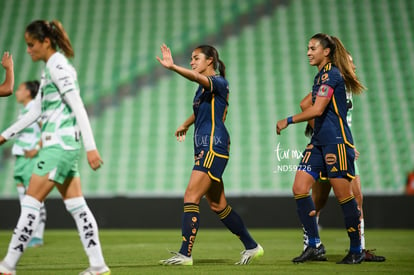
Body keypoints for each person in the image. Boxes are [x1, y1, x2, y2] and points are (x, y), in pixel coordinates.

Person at [0, 20, 110, 275]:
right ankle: (98, 265)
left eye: (31, 45)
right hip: (65, 147)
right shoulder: (52, 67)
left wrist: (91, 147)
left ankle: (7, 266)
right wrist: (4, 136)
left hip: (57, 146)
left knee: (30, 203)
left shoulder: (57, 66)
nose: (28, 50)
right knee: (77, 206)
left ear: (45, 42)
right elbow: (35, 111)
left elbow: (78, 105)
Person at [156, 44, 263, 265]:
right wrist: (185, 125)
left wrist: (173, 67)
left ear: (210, 61)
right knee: (218, 205)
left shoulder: (219, 83)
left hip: (214, 146)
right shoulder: (203, 91)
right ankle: (252, 246)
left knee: (191, 196)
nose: (192, 61)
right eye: (191, 59)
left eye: (196, 58)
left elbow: (196, 78)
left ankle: (185, 254)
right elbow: (199, 112)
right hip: (206, 146)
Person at [276, 33, 365, 264]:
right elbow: (314, 108)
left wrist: (288, 120)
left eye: (312, 48)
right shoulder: (320, 77)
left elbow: (316, 110)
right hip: (318, 143)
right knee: (299, 187)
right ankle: (314, 245)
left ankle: (357, 250)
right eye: (308, 48)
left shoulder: (332, 75)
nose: (308, 52)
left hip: (336, 142)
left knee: (346, 197)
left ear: (326, 52)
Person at [300, 54, 385, 262]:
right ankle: (320, 246)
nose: (354, 64)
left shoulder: (344, 86)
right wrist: (326, 138)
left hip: (337, 147)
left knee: (339, 199)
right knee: (332, 200)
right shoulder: (333, 82)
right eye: (350, 60)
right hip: (333, 148)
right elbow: (305, 105)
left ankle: (316, 246)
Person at [12, 80, 47, 248]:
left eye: (19, 89)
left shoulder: (35, 108)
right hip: (20, 157)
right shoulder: (24, 110)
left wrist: (37, 148)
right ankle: (27, 231)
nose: (16, 92)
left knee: (34, 197)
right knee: (23, 198)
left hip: (31, 158)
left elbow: (46, 129)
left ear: (28, 92)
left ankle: (37, 235)